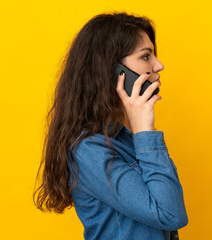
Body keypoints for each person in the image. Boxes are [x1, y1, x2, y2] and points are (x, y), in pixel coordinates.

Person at [33, 12, 188, 240]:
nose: (159, 65)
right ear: (114, 71)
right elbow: (170, 214)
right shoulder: (88, 150)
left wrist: (142, 133)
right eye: (146, 57)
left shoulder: (128, 139)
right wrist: (145, 133)